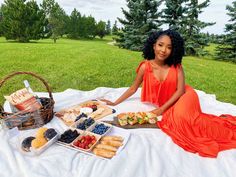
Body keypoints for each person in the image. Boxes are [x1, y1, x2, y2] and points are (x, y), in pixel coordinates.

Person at [101, 29, 236, 158]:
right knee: (182, 123)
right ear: (153, 46)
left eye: (169, 47)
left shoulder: (176, 66)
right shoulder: (145, 67)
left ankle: (229, 133)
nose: (163, 50)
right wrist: (114, 102)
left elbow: (181, 90)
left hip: (184, 96)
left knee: (183, 121)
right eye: (160, 45)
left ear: (173, 50)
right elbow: (133, 88)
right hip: (171, 102)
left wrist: (161, 109)